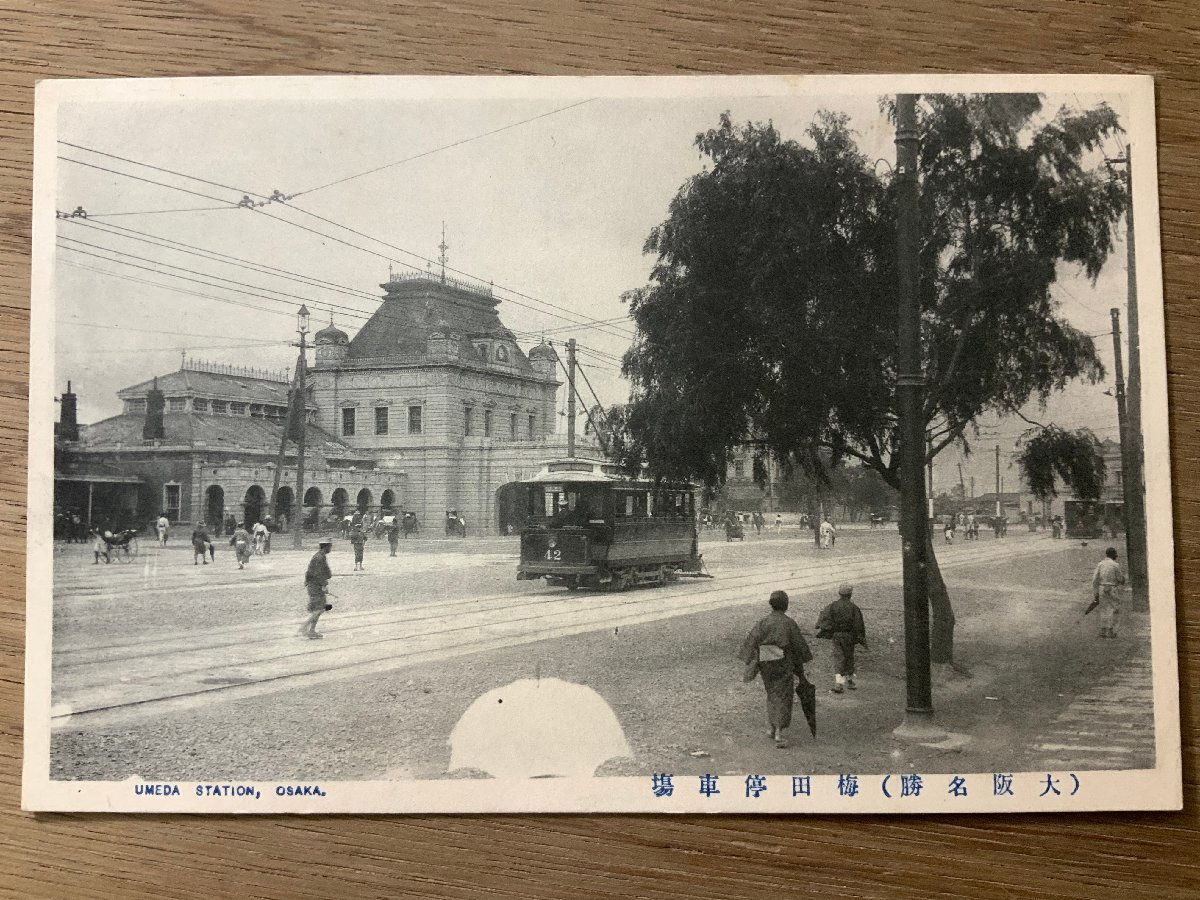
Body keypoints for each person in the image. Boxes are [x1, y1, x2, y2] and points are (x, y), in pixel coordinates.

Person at [738, 590, 813, 749]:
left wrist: (749, 659)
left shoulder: (763, 622)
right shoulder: (788, 623)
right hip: (783, 662)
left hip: (765, 662)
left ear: (771, 605)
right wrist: (803, 660)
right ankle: (779, 732)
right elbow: (798, 644)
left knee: (771, 693)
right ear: (786, 605)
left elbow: (752, 640)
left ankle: (771, 727)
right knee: (783, 695)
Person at [816, 583, 868, 693]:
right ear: (850, 594)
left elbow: (824, 619)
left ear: (839, 593)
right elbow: (859, 624)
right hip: (849, 636)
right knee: (849, 657)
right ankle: (849, 681)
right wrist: (860, 638)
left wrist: (825, 630)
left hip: (837, 635)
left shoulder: (833, 606)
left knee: (838, 657)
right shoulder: (854, 608)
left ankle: (838, 683)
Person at [301, 540, 334, 639]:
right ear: (326, 547)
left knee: (318, 608)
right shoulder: (320, 557)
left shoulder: (320, 556)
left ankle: (311, 630)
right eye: (330, 547)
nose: (330, 549)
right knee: (319, 608)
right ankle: (305, 627)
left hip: (314, 585)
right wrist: (323, 585)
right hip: (315, 586)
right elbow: (318, 573)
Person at [1092, 547, 1128, 638]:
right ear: (1113, 555)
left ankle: (1103, 630)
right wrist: (1123, 580)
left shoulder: (1100, 564)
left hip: (1102, 588)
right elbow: (1120, 578)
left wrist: (1095, 592)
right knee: (1114, 609)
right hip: (1112, 588)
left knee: (1103, 609)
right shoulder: (1115, 565)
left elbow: (1095, 579)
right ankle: (1111, 631)